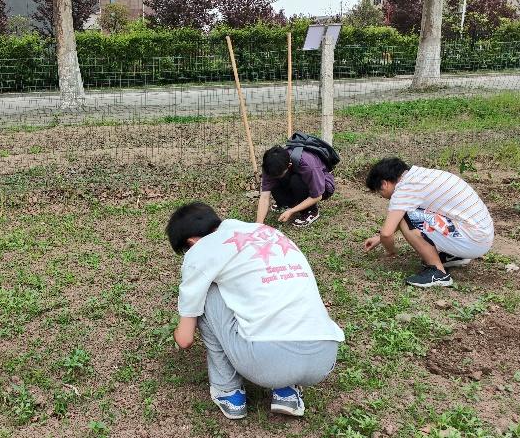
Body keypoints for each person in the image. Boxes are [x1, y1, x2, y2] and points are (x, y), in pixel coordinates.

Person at [167, 202, 344, 420]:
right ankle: (286, 391)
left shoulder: (202, 250)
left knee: (206, 292)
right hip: (323, 358)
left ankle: (228, 391)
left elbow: (184, 340)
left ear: (191, 242)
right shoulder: (267, 232)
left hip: (267, 362)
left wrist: (177, 333)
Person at [363, 157, 494, 288]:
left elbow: (387, 233)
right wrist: (379, 239)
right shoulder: (419, 176)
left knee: (408, 215)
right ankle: (453, 255)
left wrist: (390, 251)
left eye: (379, 192)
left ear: (384, 184)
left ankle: (438, 272)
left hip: (473, 239)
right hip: (481, 235)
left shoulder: (403, 190)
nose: (383, 196)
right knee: (411, 213)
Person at [255, 145, 335, 228]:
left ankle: (311, 211)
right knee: (274, 180)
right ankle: (288, 203)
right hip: (294, 175)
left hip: (323, 186)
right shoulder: (269, 165)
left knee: (296, 180)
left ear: (289, 165)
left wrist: (291, 211)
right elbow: (264, 196)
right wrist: (258, 224)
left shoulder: (308, 165)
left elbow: (318, 196)